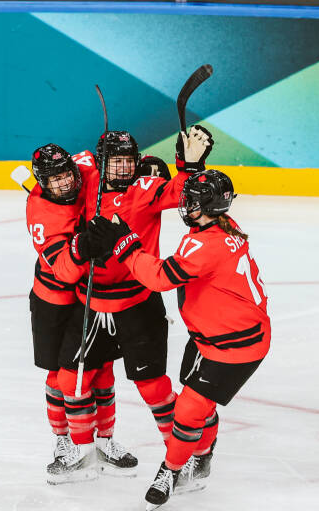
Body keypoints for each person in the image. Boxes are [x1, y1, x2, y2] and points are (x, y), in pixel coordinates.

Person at [88, 169, 270, 511]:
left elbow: (159, 278)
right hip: (208, 337)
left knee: (188, 410)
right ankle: (200, 458)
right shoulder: (217, 226)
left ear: (209, 206)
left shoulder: (206, 244)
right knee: (200, 405)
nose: (184, 205)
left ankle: (170, 470)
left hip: (234, 345)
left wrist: (124, 245)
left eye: (192, 201)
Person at [49, 126, 214, 484]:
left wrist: (190, 166)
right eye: (116, 161)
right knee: (72, 379)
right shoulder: (86, 178)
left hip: (138, 302)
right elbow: (54, 179)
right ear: (101, 162)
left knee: (153, 386)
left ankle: (181, 457)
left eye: (129, 161)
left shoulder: (146, 190)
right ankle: (83, 452)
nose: (123, 169)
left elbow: (181, 192)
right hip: (89, 300)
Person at [25, 143, 120, 478]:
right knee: (58, 377)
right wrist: (82, 244)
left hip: (88, 298)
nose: (65, 183)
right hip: (53, 300)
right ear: (43, 183)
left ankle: (105, 439)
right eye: (55, 180)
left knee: (98, 369)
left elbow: (99, 159)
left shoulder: (82, 166)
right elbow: (64, 270)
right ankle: (64, 440)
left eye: (66, 174)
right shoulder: (42, 215)